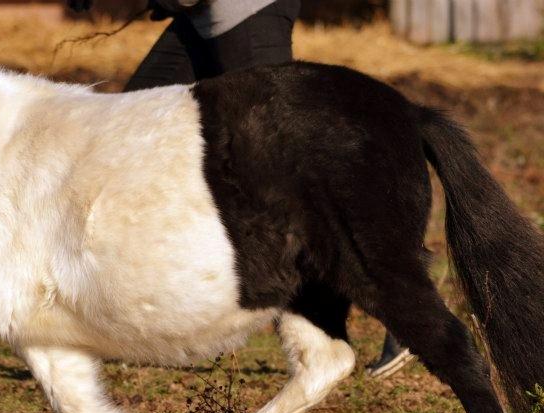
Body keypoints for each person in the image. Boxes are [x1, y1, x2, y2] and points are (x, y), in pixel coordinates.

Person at [68, 0, 415, 378]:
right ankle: (112, 308)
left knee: (283, 166)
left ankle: (401, 310)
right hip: (201, 18)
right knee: (129, 131)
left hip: (248, 13)